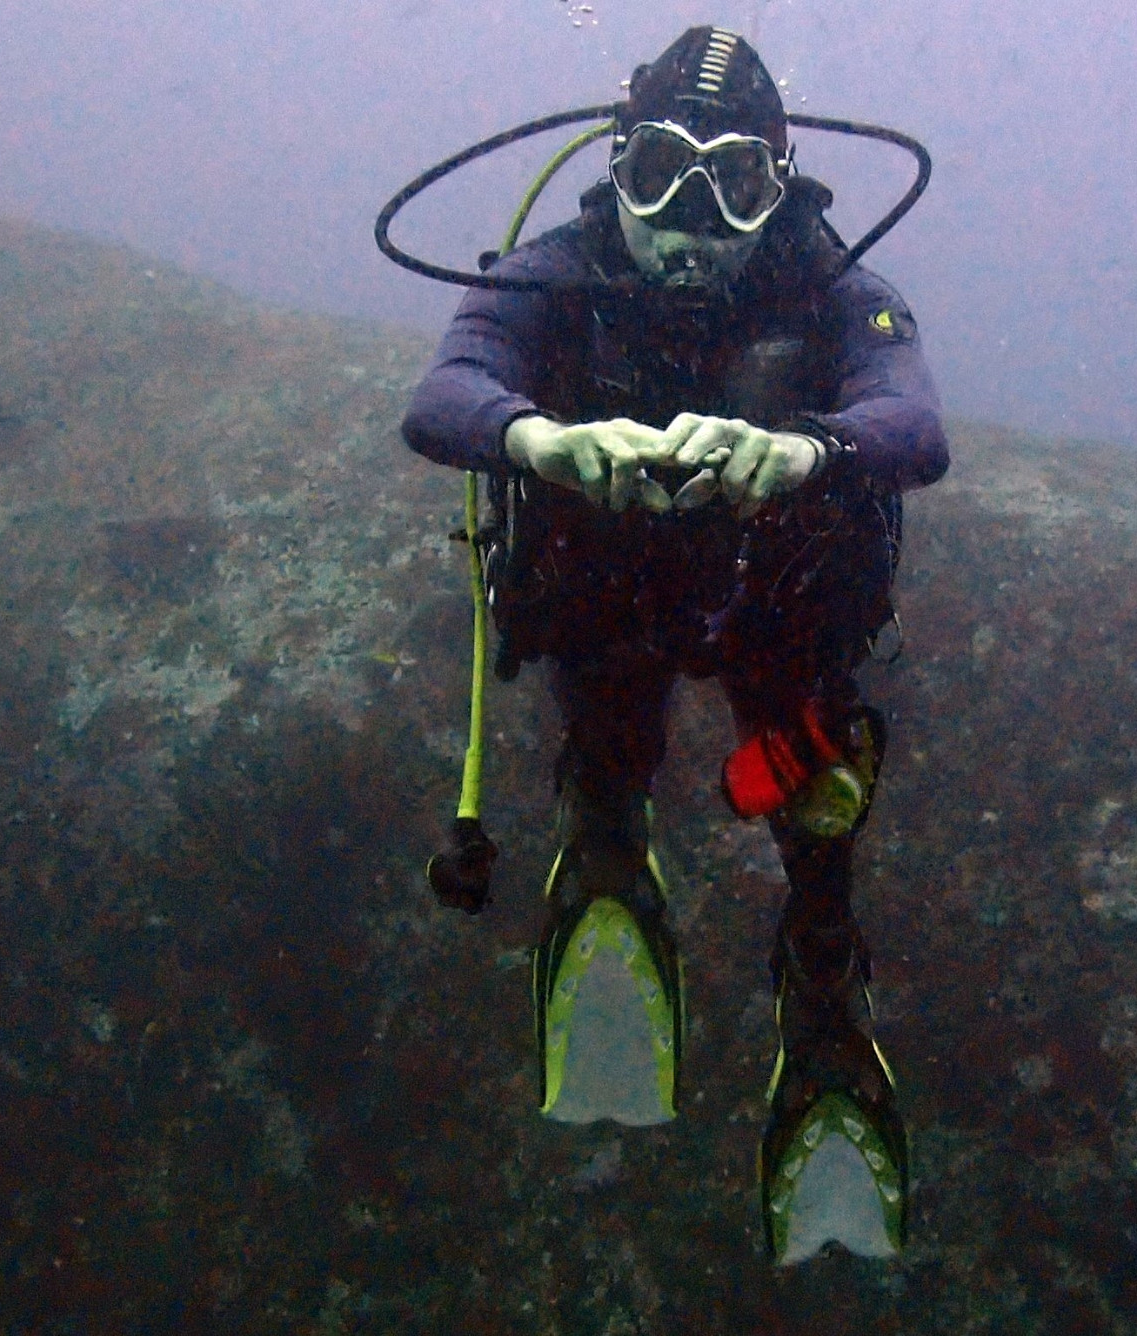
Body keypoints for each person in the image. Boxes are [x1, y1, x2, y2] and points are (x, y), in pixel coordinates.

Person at [401, 25, 947, 1264]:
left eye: (734, 184)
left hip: (779, 608)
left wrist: (805, 451)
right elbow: (444, 392)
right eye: (657, 172)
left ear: (780, 185)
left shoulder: (826, 278)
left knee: (812, 812)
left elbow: (911, 421)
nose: (688, 219)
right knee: (607, 721)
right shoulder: (555, 269)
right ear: (614, 164)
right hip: (613, 602)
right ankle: (604, 844)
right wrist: (538, 443)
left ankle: (821, 1005)